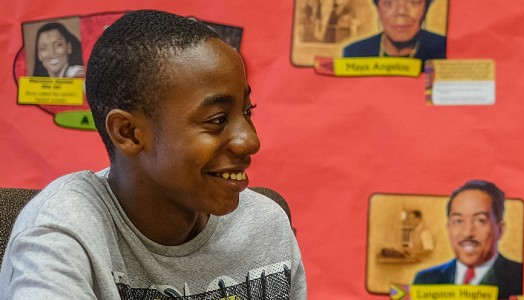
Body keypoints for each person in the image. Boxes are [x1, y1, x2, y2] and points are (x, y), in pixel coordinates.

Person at [0, 10, 306, 299]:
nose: (250, 141)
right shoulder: (60, 235)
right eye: (217, 120)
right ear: (128, 133)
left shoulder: (265, 225)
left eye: (247, 111)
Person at [414, 180, 522, 299]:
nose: (467, 233)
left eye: (480, 220)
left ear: (500, 230)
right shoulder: (425, 280)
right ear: (448, 228)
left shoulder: (520, 277)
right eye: (458, 221)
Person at [342, 0, 446, 60]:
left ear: (426, 9)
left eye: (413, 2)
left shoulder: (444, 50)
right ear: (378, 9)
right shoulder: (355, 53)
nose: (401, 12)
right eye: (389, 3)